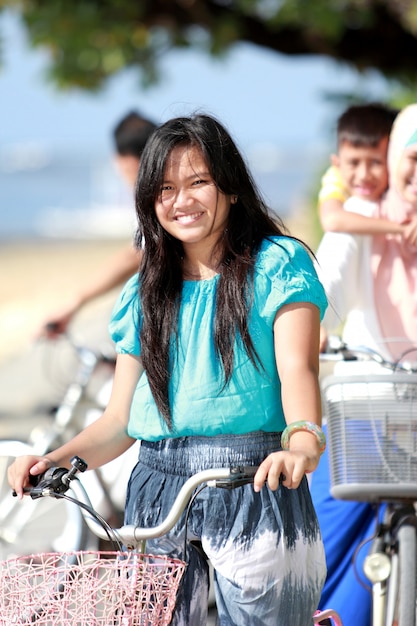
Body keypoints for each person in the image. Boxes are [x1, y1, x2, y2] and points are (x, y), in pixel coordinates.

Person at [9, 113, 328, 626]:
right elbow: (118, 422)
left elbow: (298, 371)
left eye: (198, 182)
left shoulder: (278, 265)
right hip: (156, 489)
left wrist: (302, 442)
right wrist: (55, 459)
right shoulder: (144, 294)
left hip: (254, 480)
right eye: (164, 189)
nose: (181, 201)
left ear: (231, 187)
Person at [311, 103, 417, 626]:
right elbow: (322, 291)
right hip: (364, 405)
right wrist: (306, 327)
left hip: (390, 413)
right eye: (409, 162)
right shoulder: (360, 220)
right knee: (322, 543)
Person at [43, 111, 156, 336]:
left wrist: (75, 301)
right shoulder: (176, 196)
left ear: (124, 161)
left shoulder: (156, 201)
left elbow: (134, 255)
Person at [318, 102, 404, 236]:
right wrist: (401, 228)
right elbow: (331, 219)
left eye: (376, 162)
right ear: (337, 163)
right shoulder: (335, 177)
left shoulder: (403, 176)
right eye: (354, 163)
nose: (364, 175)